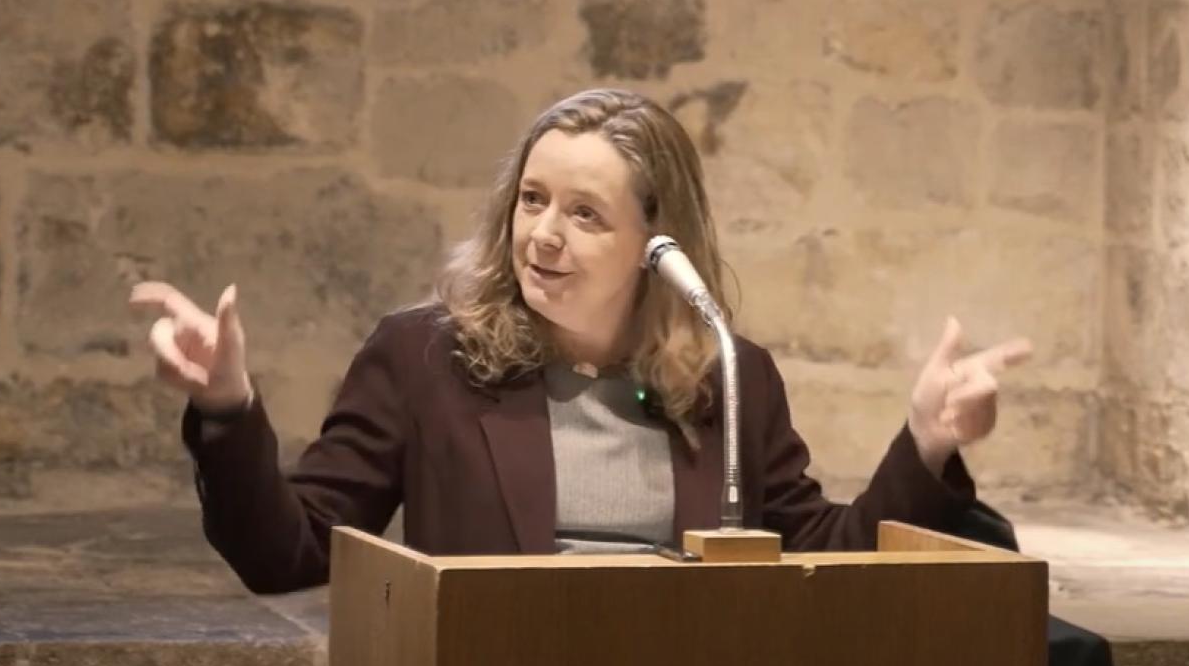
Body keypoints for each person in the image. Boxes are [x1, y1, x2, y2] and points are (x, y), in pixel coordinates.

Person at [130, 88, 1030, 594]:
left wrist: (925, 443)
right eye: (532, 200)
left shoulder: (727, 373)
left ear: (655, 245)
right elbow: (287, 553)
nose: (543, 236)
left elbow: (820, 560)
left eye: (585, 214)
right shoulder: (424, 359)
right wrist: (227, 407)